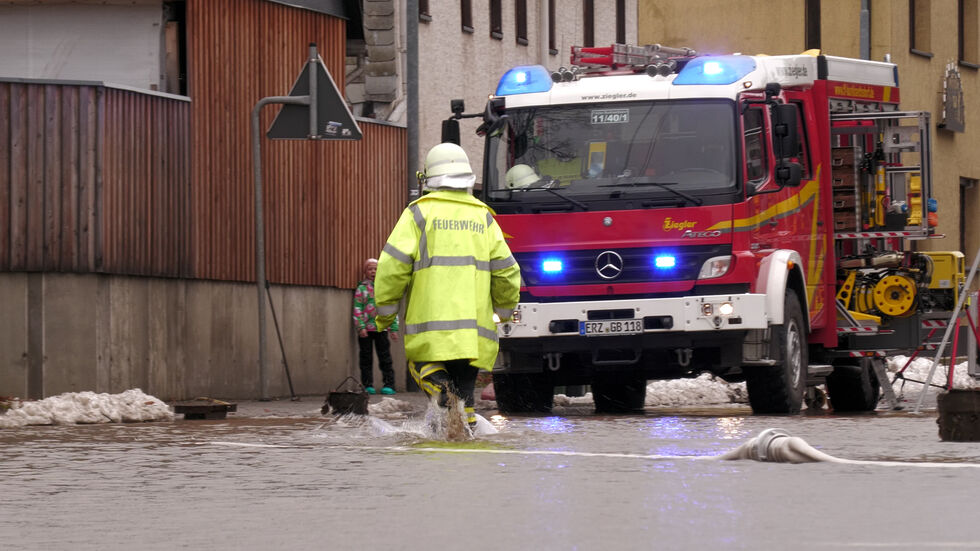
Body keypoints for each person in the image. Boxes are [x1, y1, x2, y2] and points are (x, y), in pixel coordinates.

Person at [374, 142, 521, 430]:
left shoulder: (418, 214)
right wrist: (504, 312)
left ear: (428, 177)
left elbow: (392, 267)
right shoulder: (484, 216)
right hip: (473, 333)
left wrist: (386, 313)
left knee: (423, 369)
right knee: (464, 399)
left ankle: (441, 395)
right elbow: (506, 271)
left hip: (432, 330)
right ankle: (464, 447)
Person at [352, 258, 399, 395]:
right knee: (366, 358)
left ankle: (389, 384)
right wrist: (360, 327)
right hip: (366, 330)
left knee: (385, 358)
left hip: (381, 328)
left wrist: (393, 328)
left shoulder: (385, 288)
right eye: (370, 269)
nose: (373, 271)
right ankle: (367, 385)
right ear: (365, 272)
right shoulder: (361, 289)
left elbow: (391, 308)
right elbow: (357, 308)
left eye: (375, 269)